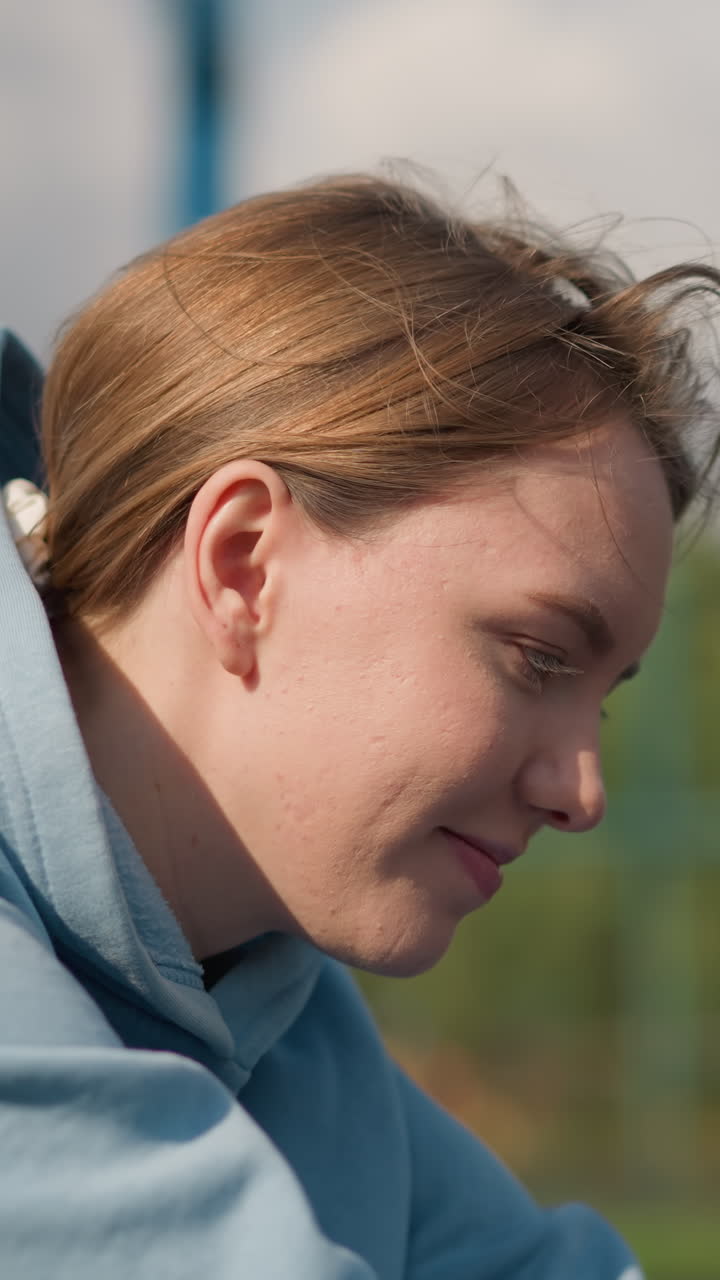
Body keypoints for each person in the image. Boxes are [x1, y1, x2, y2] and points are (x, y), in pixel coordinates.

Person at [0, 175, 717, 1280]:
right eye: (537, 657)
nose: (584, 791)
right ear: (243, 564)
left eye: (604, 694)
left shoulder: (278, 1005)